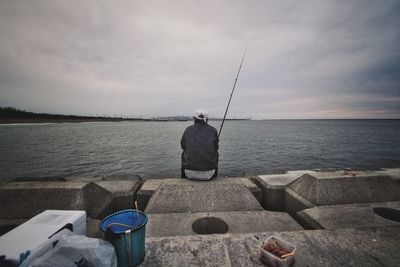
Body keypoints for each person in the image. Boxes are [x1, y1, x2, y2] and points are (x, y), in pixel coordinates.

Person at [181, 109, 219, 180]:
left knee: (184, 152)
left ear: (194, 118)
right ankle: (215, 177)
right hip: (209, 173)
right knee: (215, 152)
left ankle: (183, 178)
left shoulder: (188, 130)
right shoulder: (213, 130)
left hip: (189, 173)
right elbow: (216, 148)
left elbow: (183, 146)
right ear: (207, 119)